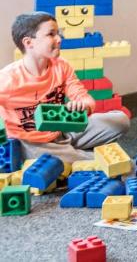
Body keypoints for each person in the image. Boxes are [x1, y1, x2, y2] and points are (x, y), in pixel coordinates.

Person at [0, 12, 129, 163]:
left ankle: (67, 152)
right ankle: (76, 156)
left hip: (62, 131)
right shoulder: (8, 78)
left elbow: (84, 98)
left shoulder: (61, 66)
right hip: (31, 143)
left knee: (121, 120)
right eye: (51, 34)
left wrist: (83, 106)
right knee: (96, 161)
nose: (59, 39)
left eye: (58, 33)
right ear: (29, 43)